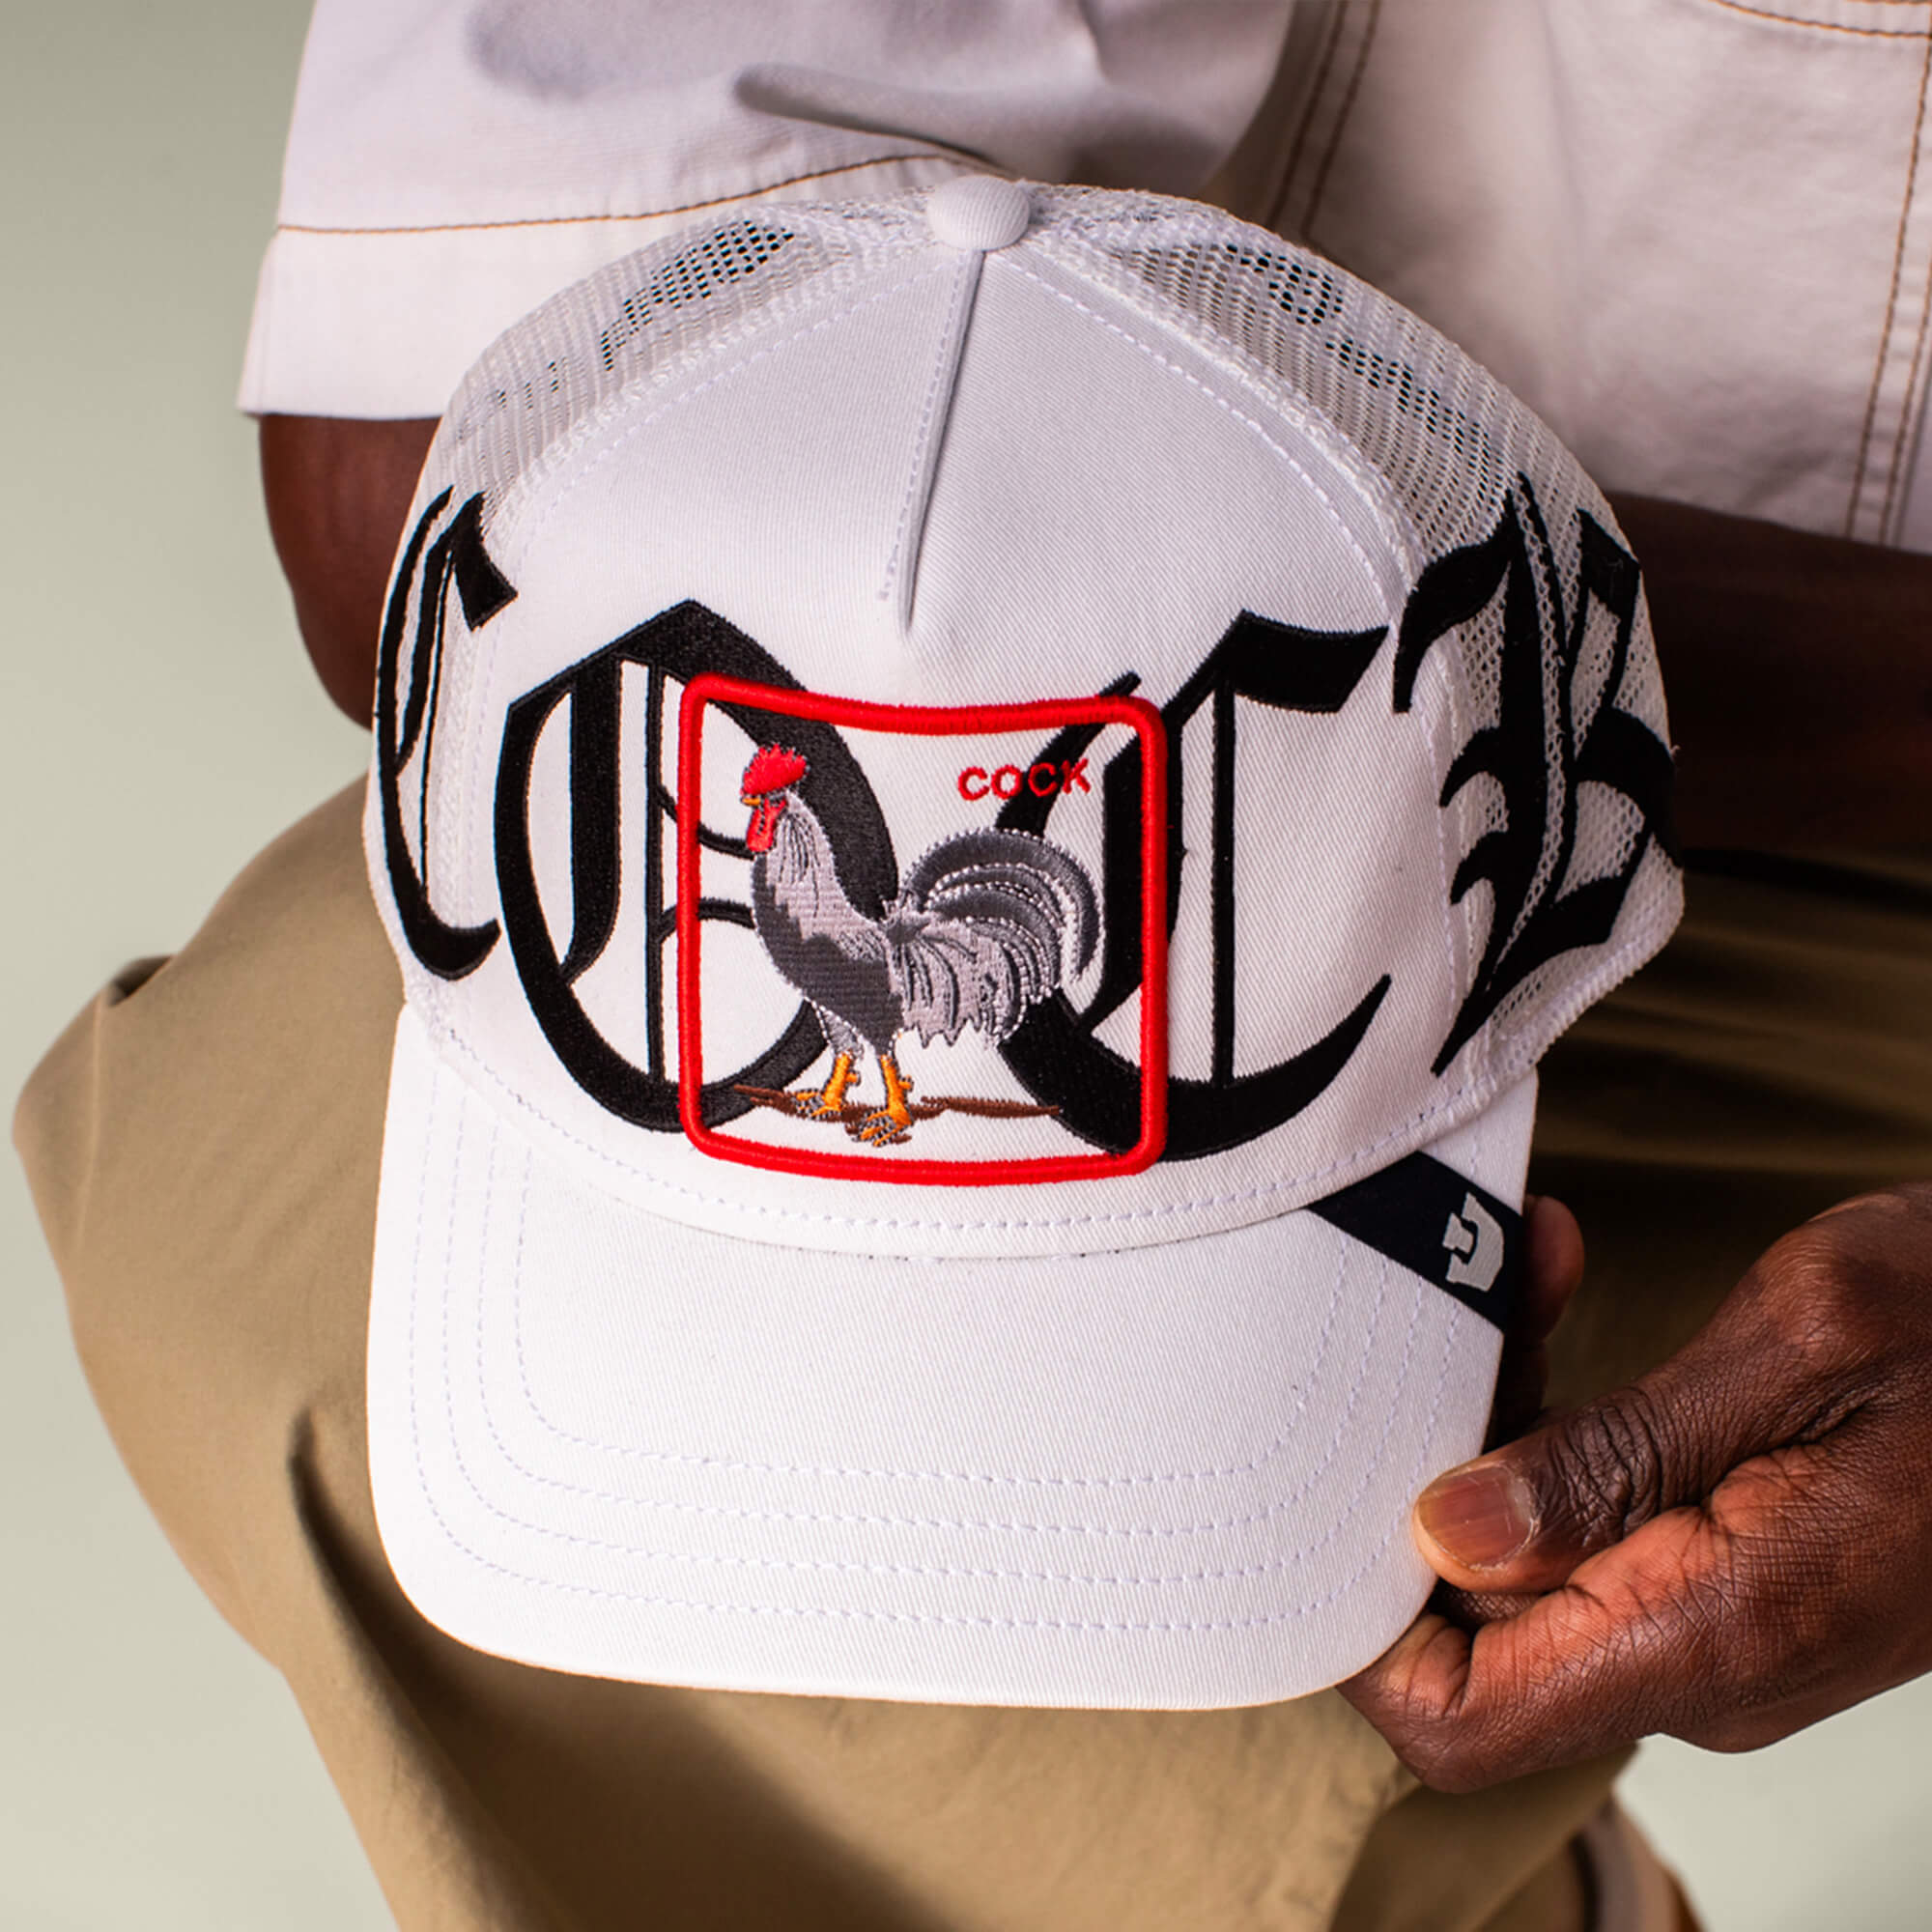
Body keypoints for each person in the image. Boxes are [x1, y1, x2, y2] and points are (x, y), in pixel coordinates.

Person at [17, 5, 1932, 1927]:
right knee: (277, 1246)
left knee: (1226, 1622)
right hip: (1344, 723)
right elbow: (379, 471)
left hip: (1643, 824)